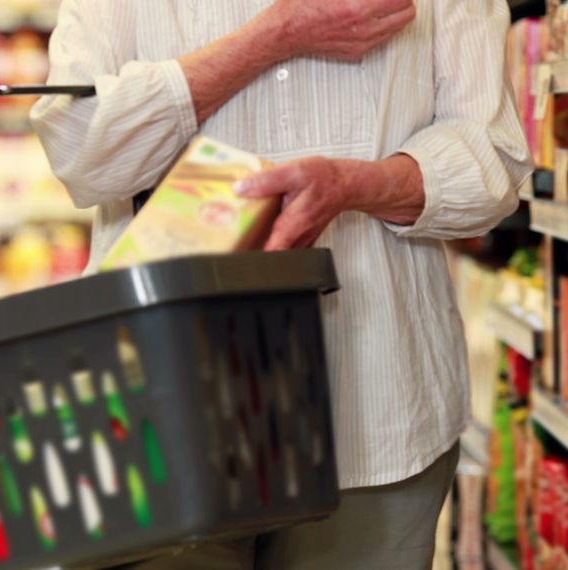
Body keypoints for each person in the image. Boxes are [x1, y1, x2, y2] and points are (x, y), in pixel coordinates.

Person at [31, 0, 532, 567]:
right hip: (166, 410)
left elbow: (494, 163)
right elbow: (79, 149)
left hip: (377, 409)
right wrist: (276, 34)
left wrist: (359, 184)